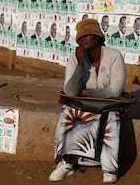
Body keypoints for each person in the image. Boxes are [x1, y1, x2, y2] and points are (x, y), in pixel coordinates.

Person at [49, 18, 126, 183]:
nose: (82, 39)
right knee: (67, 111)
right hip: (84, 105)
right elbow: (70, 91)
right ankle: (67, 162)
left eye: (87, 35)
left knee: (113, 116)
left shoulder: (114, 56)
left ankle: (109, 168)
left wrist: (86, 92)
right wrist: (80, 65)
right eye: (79, 38)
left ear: (98, 37)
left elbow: (116, 90)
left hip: (108, 104)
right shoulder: (74, 59)